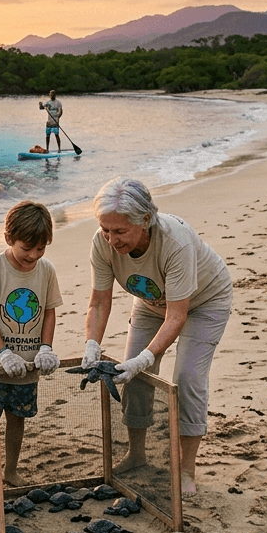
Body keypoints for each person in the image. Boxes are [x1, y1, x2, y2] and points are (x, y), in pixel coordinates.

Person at [83, 177, 231, 494]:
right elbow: (98, 301)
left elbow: (177, 315)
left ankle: (186, 470)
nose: (111, 239)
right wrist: (92, 344)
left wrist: (146, 358)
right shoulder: (102, 242)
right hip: (152, 302)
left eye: (120, 231)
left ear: (146, 220)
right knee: (132, 373)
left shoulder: (175, 242)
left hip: (205, 301)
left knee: (188, 376)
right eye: (106, 229)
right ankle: (137, 454)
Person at [0, 201, 63, 486]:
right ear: (9, 239)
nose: (33, 255)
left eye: (41, 249)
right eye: (27, 248)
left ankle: (10, 470)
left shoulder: (46, 270)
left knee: (17, 419)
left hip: (27, 366)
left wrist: (46, 347)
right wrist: (3, 353)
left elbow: (49, 311)